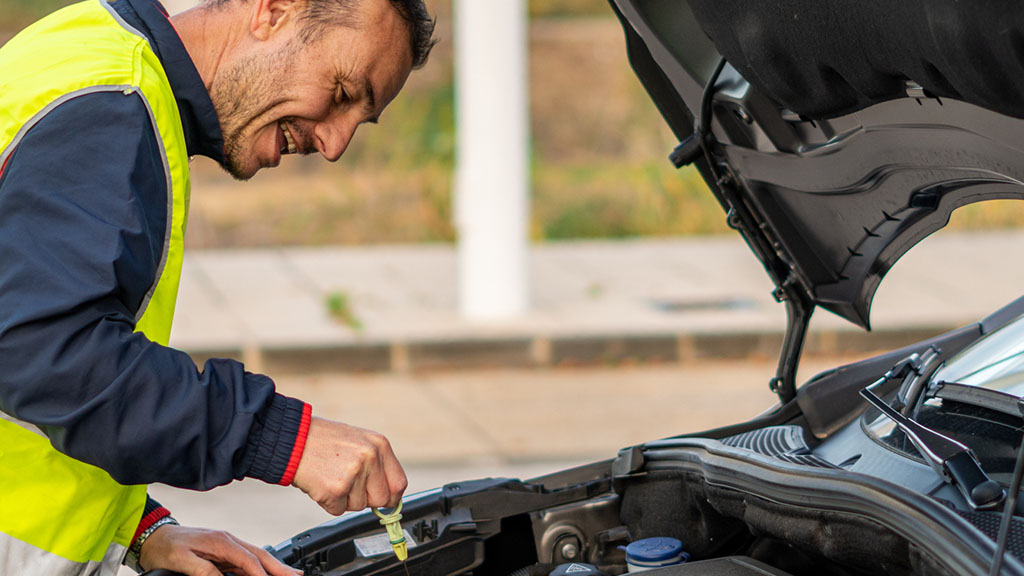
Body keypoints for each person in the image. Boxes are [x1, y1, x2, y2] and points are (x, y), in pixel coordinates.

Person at [0, 0, 435, 574]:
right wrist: (284, 438)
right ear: (273, 11)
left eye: (360, 120)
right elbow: (43, 353)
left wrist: (138, 530)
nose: (335, 144)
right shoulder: (115, 105)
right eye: (342, 92)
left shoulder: (93, 51)